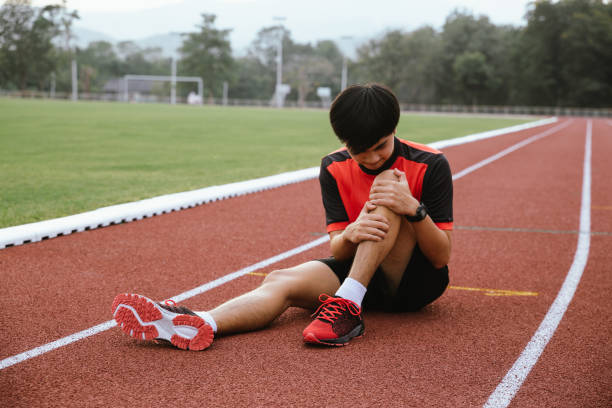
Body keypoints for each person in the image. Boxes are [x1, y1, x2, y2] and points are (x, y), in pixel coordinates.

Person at [111, 83, 453, 350]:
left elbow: (440, 257)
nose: (373, 158)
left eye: (381, 146)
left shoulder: (430, 163)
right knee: (280, 279)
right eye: (359, 151)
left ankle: (347, 306)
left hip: (414, 282)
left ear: (395, 129)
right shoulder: (333, 166)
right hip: (361, 276)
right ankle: (200, 322)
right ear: (343, 143)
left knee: (389, 188)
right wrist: (351, 233)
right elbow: (340, 251)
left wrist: (413, 209)